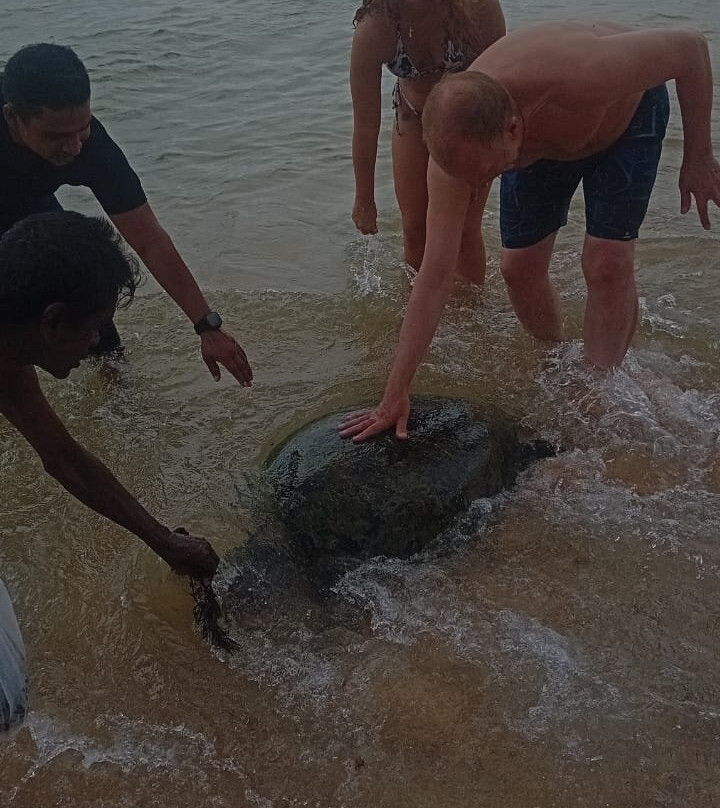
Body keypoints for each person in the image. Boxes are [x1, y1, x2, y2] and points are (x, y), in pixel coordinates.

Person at [340, 21, 720, 442]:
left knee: (606, 262)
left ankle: (603, 388)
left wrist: (698, 155)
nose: (479, 186)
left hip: (625, 120)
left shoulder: (585, 71)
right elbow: (434, 276)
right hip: (542, 149)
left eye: (485, 175)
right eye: (471, 179)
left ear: (513, 128)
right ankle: (559, 356)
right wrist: (395, 392)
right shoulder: (456, 158)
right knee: (519, 269)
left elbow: (690, 49)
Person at [0, 211, 221, 739]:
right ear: (52, 321)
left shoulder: (8, 352)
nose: (98, 343)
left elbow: (65, 459)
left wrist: (166, 543)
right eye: (95, 328)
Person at [0, 43, 252, 383]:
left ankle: (116, 390)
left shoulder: (91, 146)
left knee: (86, 289)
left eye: (82, 128)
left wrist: (206, 327)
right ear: (13, 117)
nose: (75, 147)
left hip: (31, 200)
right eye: (57, 136)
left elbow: (149, 239)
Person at [350, 0, 505, 284]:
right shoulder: (375, 30)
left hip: (469, 123)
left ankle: (472, 317)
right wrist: (364, 198)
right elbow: (365, 125)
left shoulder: (478, 7)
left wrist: (503, 152)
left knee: (465, 230)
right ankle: (422, 317)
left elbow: (504, 79)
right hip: (412, 116)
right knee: (415, 229)